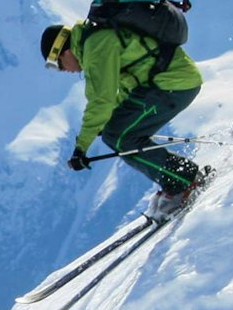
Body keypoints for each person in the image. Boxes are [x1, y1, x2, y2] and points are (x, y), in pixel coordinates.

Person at [41, 19, 207, 220]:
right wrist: (107, 122)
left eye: (56, 64)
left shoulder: (95, 47)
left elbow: (101, 99)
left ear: (64, 51)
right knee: (116, 133)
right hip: (168, 82)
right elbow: (126, 86)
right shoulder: (95, 41)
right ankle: (180, 175)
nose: (63, 70)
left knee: (120, 138)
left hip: (172, 85)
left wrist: (81, 148)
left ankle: (182, 181)